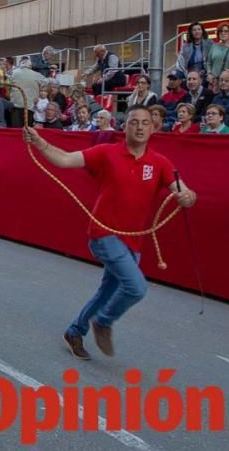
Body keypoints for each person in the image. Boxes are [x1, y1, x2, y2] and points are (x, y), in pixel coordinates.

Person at [22, 106, 196, 360]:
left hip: (133, 240)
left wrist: (188, 197)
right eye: (133, 122)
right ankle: (103, 321)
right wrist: (39, 142)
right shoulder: (106, 153)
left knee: (107, 292)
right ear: (124, 127)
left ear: (153, 128)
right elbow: (65, 159)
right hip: (104, 234)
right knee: (136, 288)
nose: (139, 127)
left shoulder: (160, 162)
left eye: (145, 123)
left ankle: (75, 331)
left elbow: (185, 192)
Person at [8, 56, 44, 127]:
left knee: (16, 131)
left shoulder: (13, 73)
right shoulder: (36, 75)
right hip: (29, 107)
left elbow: (6, 85)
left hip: (15, 106)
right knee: (27, 130)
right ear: (30, 65)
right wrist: (39, 94)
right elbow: (47, 82)